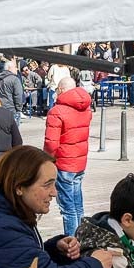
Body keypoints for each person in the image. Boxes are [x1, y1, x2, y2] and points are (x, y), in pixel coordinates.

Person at [44, 76, 93, 236]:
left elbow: (51, 143)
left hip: (64, 163)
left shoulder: (57, 111)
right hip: (79, 162)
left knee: (68, 208)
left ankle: (72, 243)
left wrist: (47, 161)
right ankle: (81, 238)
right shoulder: (85, 108)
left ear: (61, 90)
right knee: (78, 204)